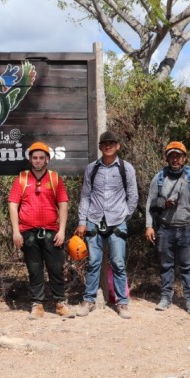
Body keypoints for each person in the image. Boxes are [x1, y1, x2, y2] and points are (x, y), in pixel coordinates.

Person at [75, 131, 138, 319]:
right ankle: (89, 300)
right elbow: (85, 196)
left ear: (118, 146)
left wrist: (124, 215)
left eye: (112, 143)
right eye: (105, 143)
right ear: (100, 147)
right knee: (93, 262)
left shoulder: (126, 168)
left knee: (118, 263)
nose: (108, 146)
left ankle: (122, 303)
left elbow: (133, 196)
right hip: (94, 220)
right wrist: (82, 221)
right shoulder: (92, 168)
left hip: (117, 222)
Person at [8, 141, 73, 319]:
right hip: (28, 232)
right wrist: (16, 231)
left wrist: (62, 231)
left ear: (47, 160)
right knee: (34, 269)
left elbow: (63, 204)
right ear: (30, 159)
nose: (37, 161)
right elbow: (13, 205)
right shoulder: (22, 178)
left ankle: (60, 303)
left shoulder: (54, 178)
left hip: (51, 231)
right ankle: (37, 304)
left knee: (56, 268)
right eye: (34, 158)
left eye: (41, 158)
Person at [145, 141, 190, 314]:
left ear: (184, 158)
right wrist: (149, 226)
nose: (175, 159)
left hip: (187, 228)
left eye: (178, 156)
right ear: (167, 158)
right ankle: (165, 297)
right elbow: (150, 203)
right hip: (165, 229)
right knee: (166, 265)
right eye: (171, 156)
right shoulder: (159, 178)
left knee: (188, 266)